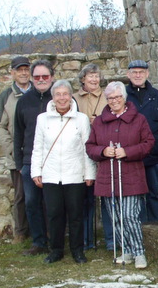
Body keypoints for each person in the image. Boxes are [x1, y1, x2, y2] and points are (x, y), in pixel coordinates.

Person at [86, 81, 154, 269]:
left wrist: (127, 152)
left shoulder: (138, 119)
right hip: (109, 177)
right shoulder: (100, 121)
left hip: (131, 175)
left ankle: (139, 252)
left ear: (124, 98)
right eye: (110, 98)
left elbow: (148, 143)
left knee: (130, 216)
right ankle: (127, 250)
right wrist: (102, 151)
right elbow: (89, 146)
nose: (114, 101)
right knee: (116, 217)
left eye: (117, 97)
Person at [30, 80, 96, 264]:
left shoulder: (81, 119)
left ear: (70, 96)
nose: (62, 98)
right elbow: (38, 147)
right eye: (58, 94)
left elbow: (86, 148)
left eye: (65, 94)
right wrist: (36, 171)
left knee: (76, 215)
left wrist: (89, 173)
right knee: (54, 214)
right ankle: (56, 250)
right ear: (53, 97)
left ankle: (77, 250)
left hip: (74, 174)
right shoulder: (42, 119)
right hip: (51, 174)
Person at [14, 59, 55, 256]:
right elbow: (18, 134)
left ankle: (55, 240)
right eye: (37, 77)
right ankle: (39, 242)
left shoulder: (60, 98)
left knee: (53, 202)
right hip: (30, 161)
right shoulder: (23, 101)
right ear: (32, 78)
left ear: (52, 77)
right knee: (31, 202)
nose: (41, 80)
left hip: (55, 160)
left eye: (44, 76)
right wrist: (20, 164)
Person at [0, 55, 32, 243]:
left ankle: (46, 232)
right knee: (20, 195)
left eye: (26, 69)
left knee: (44, 194)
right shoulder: (6, 96)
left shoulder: (39, 91)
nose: (24, 73)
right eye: (20, 70)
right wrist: (11, 148)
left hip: (39, 152)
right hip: (17, 154)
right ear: (12, 73)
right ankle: (21, 232)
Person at [73, 63, 108, 251]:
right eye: (90, 76)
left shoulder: (107, 96)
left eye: (96, 76)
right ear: (83, 79)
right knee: (85, 199)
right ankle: (85, 239)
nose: (94, 79)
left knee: (105, 197)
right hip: (80, 152)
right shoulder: (73, 98)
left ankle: (109, 239)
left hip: (102, 149)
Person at [125, 59, 158, 223]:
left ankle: (155, 226)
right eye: (134, 72)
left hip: (153, 153)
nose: (138, 75)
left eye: (141, 72)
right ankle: (138, 227)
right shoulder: (124, 95)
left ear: (147, 74)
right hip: (132, 154)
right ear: (128, 74)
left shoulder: (156, 96)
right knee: (135, 193)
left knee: (154, 192)